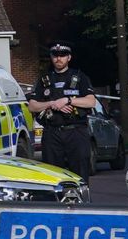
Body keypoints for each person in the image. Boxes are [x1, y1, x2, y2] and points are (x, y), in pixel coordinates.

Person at [26, 43, 102, 177]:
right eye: (55, 55)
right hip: (51, 132)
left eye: (62, 56)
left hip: (76, 132)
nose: (58, 59)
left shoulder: (79, 77)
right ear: (51, 57)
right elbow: (32, 106)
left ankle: (80, 198)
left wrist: (67, 100)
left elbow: (91, 101)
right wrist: (52, 103)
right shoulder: (44, 80)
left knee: (80, 173)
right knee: (53, 175)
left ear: (69, 57)